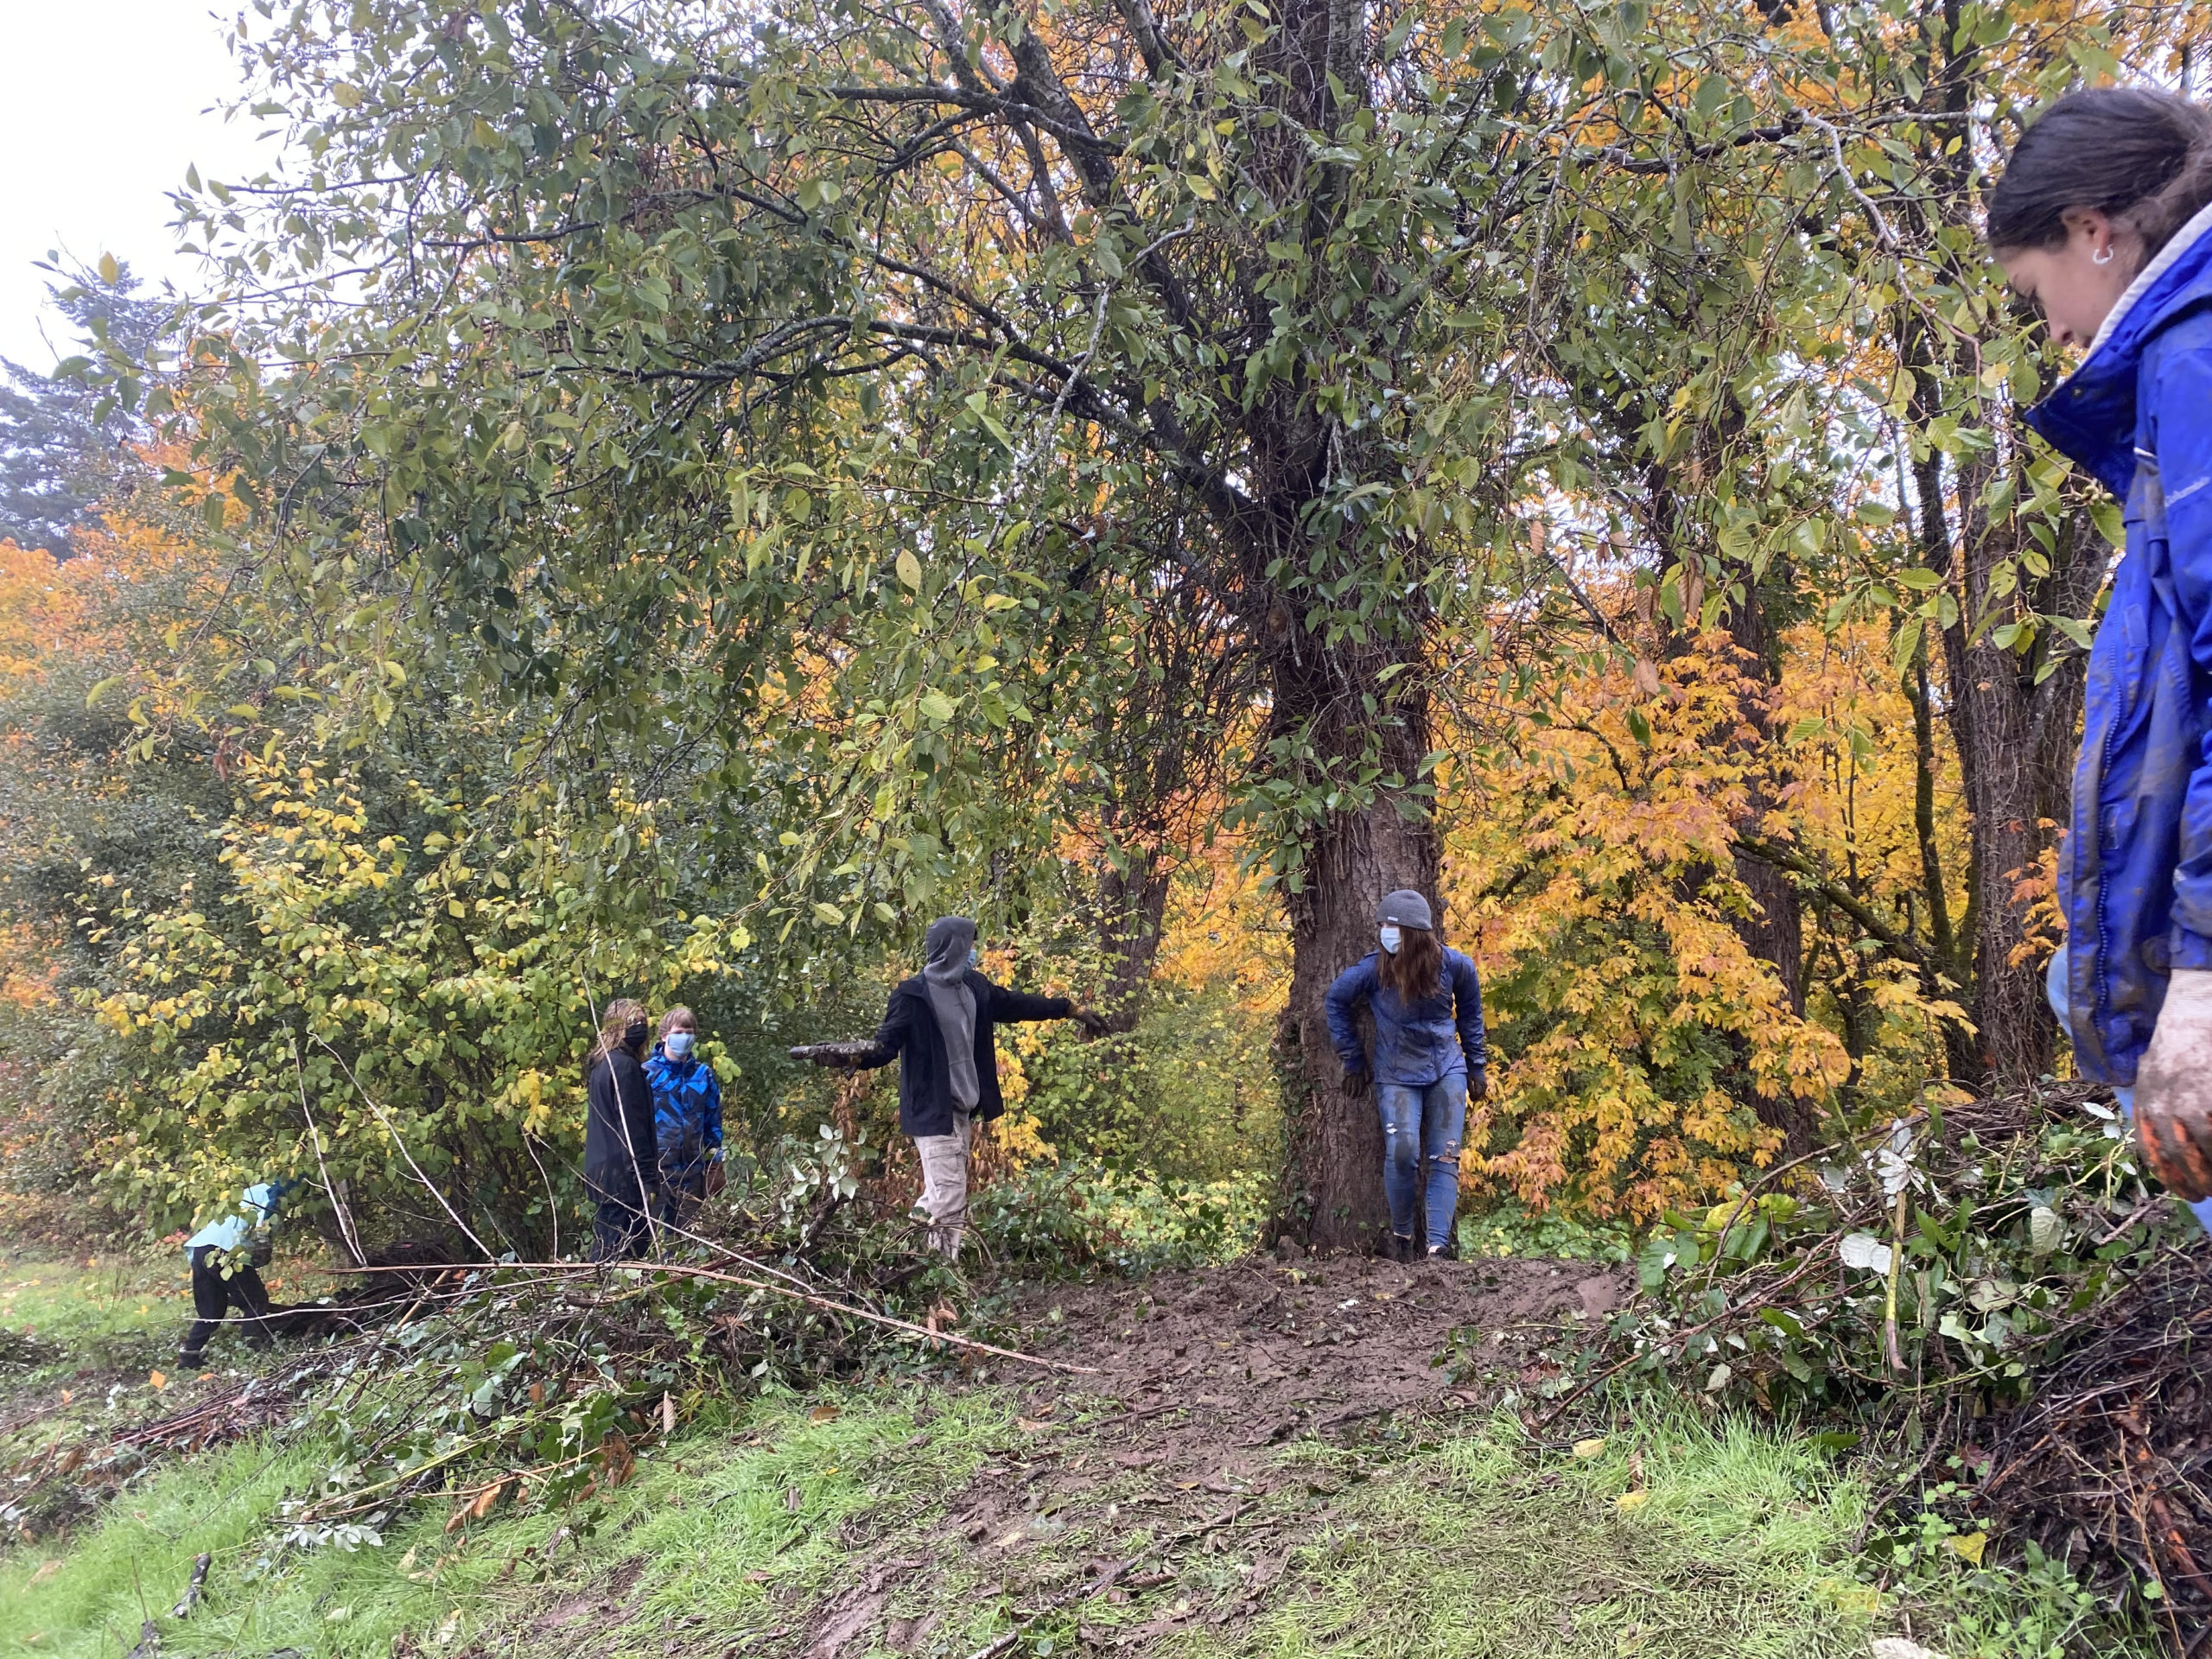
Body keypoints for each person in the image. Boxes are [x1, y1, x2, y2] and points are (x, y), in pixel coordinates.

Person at [1992, 86, 2212, 1218]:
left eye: (2035, 294)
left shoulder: (2194, 358)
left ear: (2092, 231)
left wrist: (2201, 979)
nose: (2055, 333)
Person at [848, 917, 1103, 1258]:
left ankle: (901, 1260)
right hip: (933, 1113)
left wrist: (1069, 1009)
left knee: (939, 1195)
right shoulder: (912, 996)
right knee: (950, 1199)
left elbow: (1016, 1004)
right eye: (969, 944)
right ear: (953, 947)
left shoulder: (974, 988)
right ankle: (940, 1279)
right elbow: (885, 1046)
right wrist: (851, 1059)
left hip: (962, 1111)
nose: (974, 952)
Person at [1325, 890, 1487, 1261]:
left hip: (1446, 1066)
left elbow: (1472, 1016)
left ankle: (1437, 1248)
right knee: (1402, 1153)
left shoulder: (1456, 966)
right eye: (1382, 925)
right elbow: (1335, 1000)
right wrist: (1352, 1060)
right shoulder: (1373, 969)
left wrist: (1476, 1066)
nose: (1384, 931)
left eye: (1391, 925)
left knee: (1445, 1156)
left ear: (1414, 932)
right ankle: (1401, 1239)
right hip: (1395, 1071)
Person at [179, 1177, 292, 1368]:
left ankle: (189, 1355)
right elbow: (262, 1229)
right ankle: (252, 1349)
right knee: (255, 1300)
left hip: (201, 1249)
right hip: (225, 1251)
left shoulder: (250, 1192)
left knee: (211, 1309)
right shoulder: (276, 1193)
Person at [585, 997, 659, 1261]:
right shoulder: (623, 1068)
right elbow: (633, 1128)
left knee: (609, 1243)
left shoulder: (603, 1064)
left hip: (604, 1171)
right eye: (632, 1021)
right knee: (622, 1251)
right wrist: (647, 1177)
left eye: (643, 1021)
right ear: (616, 1026)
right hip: (623, 1176)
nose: (640, 1026)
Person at [645, 1005, 725, 1230]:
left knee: (686, 1239)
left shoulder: (703, 1075)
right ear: (664, 1036)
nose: (685, 1037)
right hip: (657, 1172)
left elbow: (713, 1121)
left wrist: (715, 1161)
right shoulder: (647, 1074)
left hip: (692, 1172)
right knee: (651, 1239)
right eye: (679, 1032)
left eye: (689, 1032)